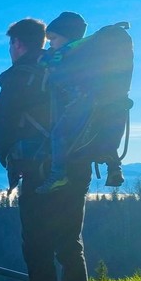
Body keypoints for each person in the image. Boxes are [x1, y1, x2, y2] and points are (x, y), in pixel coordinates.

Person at [0, 19, 91, 281]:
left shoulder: (21, 77)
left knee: (38, 252)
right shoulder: (68, 70)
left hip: (40, 174)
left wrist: (13, 160)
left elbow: (1, 129)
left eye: (11, 45)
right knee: (69, 245)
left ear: (18, 44)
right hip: (77, 170)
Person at [37, 12, 124, 192]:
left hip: (80, 101)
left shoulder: (69, 53)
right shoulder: (86, 50)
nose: (50, 43)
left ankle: (58, 174)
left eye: (53, 38)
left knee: (58, 134)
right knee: (102, 130)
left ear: (67, 35)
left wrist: (46, 64)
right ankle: (115, 167)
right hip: (95, 102)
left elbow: (58, 71)